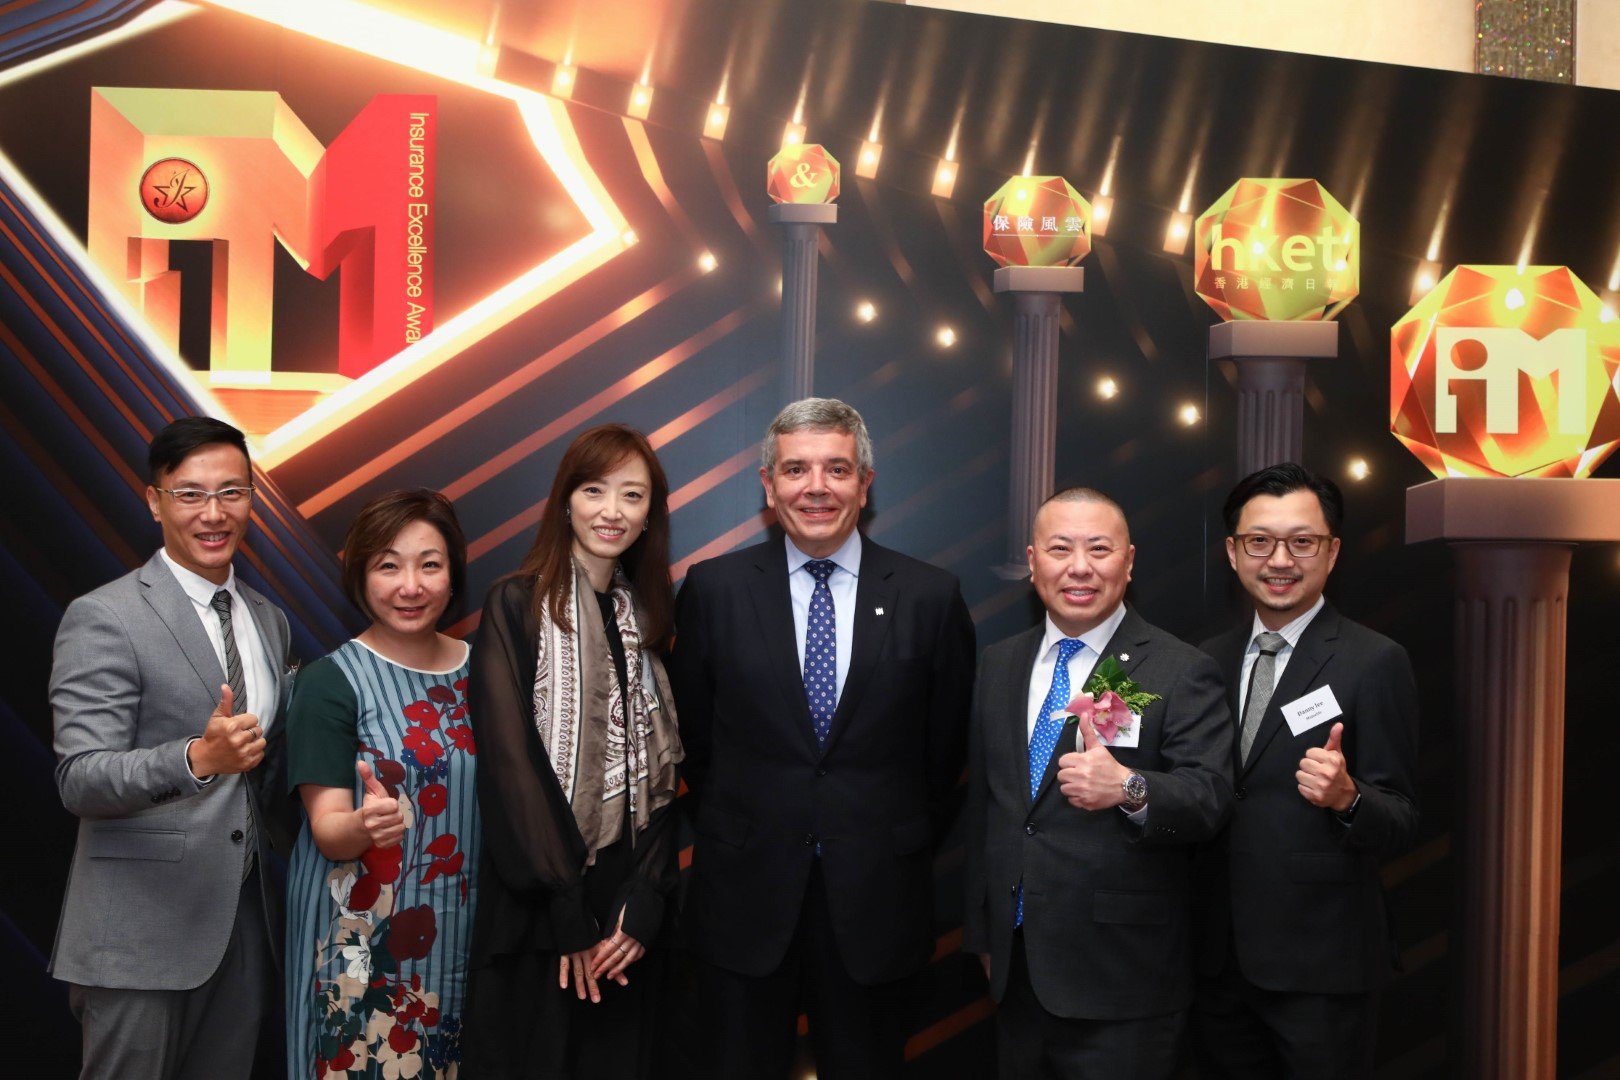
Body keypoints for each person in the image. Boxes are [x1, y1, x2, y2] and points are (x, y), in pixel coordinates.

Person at [669, 397, 976, 1079]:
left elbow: (944, 754)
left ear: (865, 484)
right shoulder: (713, 590)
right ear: (768, 484)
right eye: (796, 469)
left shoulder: (930, 596)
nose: (816, 487)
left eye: (837, 469)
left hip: (876, 902)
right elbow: (693, 740)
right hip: (744, 900)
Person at [49, 416, 294, 1078]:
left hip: (243, 927)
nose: (214, 514)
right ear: (154, 501)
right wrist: (196, 760)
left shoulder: (269, 620)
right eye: (189, 494)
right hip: (140, 932)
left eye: (231, 492)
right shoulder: (105, 616)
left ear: (251, 499)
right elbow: (80, 778)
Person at [962, 487, 1232, 1079]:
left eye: (1099, 549)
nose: (1079, 567)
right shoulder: (999, 663)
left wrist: (1130, 788)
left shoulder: (1180, 668)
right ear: (1033, 561)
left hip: (1123, 977)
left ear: (1128, 562)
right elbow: (988, 806)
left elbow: (1209, 799)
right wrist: (985, 934)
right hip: (1017, 972)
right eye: (1060, 549)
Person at [460, 424, 682, 1079]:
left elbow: (663, 776)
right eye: (594, 490)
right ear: (565, 501)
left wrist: (644, 901)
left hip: (624, 920)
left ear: (650, 515)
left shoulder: (647, 620)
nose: (612, 511)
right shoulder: (516, 603)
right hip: (540, 905)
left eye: (632, 495)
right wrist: (567, 910)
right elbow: (510, 768)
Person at [1192, 463, 1419, 1079]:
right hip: (1216, 963)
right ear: (1233, 553)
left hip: (1323, 967)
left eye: (1302, 541)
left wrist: (1348, 797)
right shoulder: (1206, 661)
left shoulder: (1374, 661)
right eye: (1259, 541)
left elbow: (1401, 818)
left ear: (1333, 551)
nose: (1280, 560)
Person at [284, 488, 478, 1078]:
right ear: (361, 576)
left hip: (465, 931)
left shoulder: (486, 670)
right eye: (389, 566)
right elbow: (328, 831)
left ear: (453, 572)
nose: (410, 586)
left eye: (430, 565)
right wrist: (365, 825)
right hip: (359, 944)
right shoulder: (330, 682)